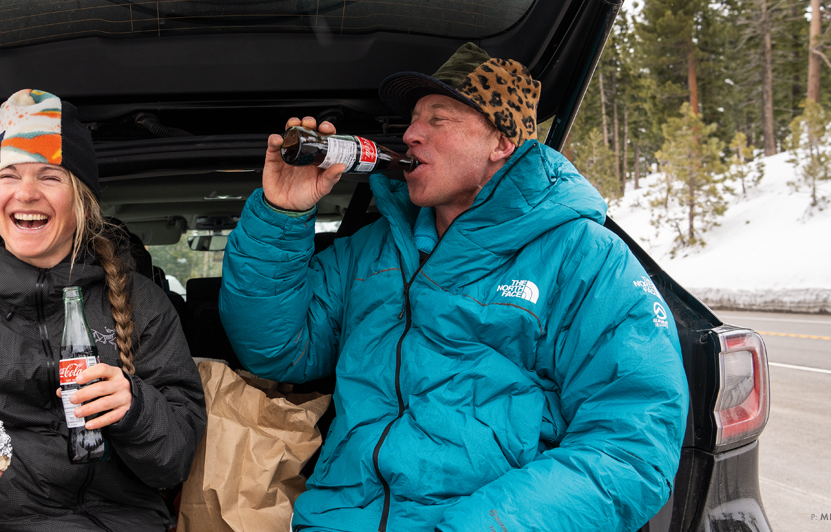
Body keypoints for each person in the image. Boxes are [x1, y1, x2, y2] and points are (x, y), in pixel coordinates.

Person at [219, 44, 689, 531]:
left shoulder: (583, 258)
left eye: (437, 120)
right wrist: (282, 214)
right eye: (413, 120)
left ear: (501, 143)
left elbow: (632, 445)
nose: (410, 134)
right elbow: (277, 349)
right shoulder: (372, 251)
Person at [0, 89, 206, 532]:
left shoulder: (142, 304)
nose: (26, 193)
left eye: (50, 176)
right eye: (9, 175)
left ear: (81, 199)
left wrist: (134, 407)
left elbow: (174, 465)